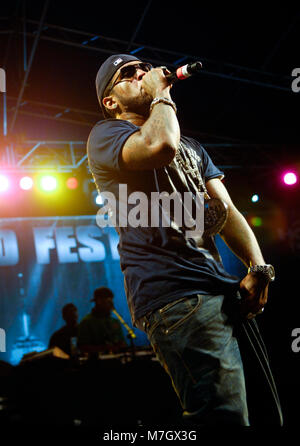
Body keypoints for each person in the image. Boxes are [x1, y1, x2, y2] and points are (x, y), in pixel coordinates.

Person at [86, 54, 277, 426]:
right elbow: (160, 146)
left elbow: (227, 211)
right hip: (175, 296)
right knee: (225, 418)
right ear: (111, 101)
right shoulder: (106, 135)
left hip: (222, 291)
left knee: (265, 411)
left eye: (144, 69)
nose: (142, 74)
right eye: (128, 74)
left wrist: (260, 267)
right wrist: (161, 94)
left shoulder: (192, 145)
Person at [77, 286, 127, 355]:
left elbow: (122, 342)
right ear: (99, 301)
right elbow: (82, 347)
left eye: (111, 301)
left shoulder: (115, 321)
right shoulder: (86, 322)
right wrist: (106, 348)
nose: (111, 305)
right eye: (108, 301)